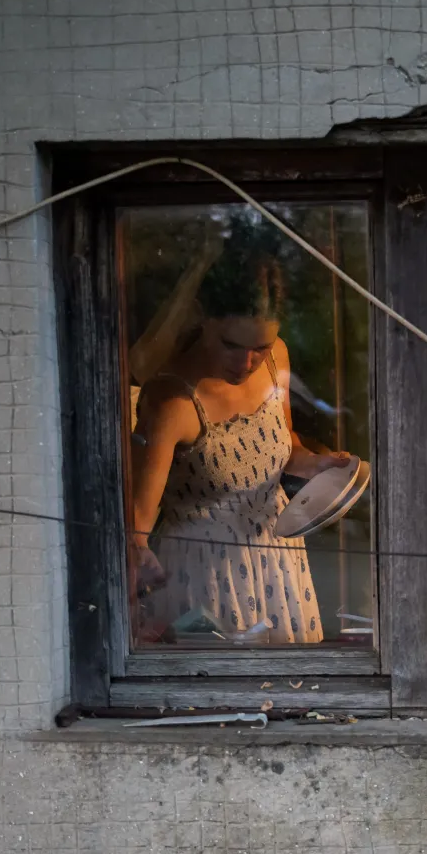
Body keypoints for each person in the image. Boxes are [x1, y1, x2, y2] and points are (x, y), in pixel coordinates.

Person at [128, 223, 350, 644]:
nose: (247, 362)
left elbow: (283, 448)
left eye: (260, 347)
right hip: (207, 577)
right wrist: (138, 563)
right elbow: (136, 524)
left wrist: (320, 463)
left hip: (280, 565)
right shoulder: (172, 401)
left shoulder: (275, 359)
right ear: (203, 320)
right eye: (232, 344)